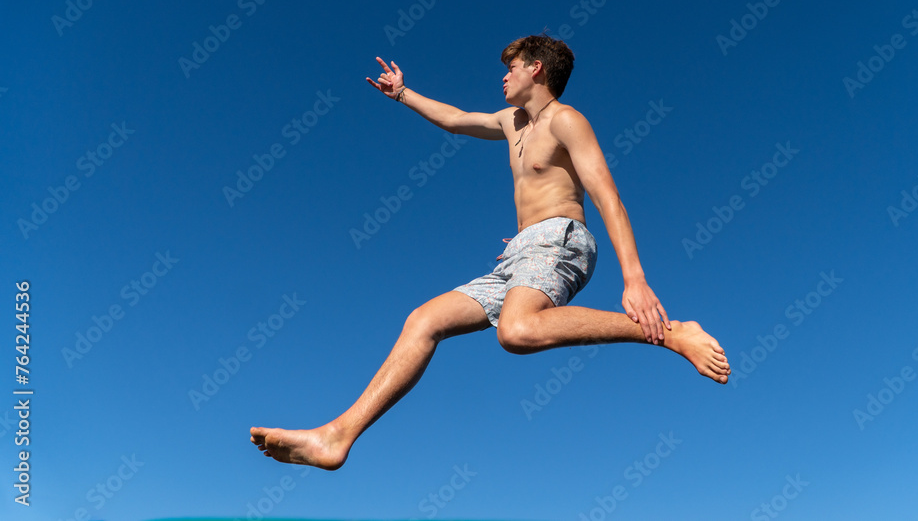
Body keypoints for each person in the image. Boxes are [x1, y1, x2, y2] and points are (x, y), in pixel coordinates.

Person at [251, 35, 730, 470]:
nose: (503, 76)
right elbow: (457, 120)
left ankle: (668, 333)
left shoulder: (566, 120)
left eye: (512, 67)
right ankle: (337, 436)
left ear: (537, 69)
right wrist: (402, 94)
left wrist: (635, 279)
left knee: (517, 331)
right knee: (424, 321)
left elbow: (607, 195)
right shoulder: (511, 122)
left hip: (560, 239)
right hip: (520, 252)